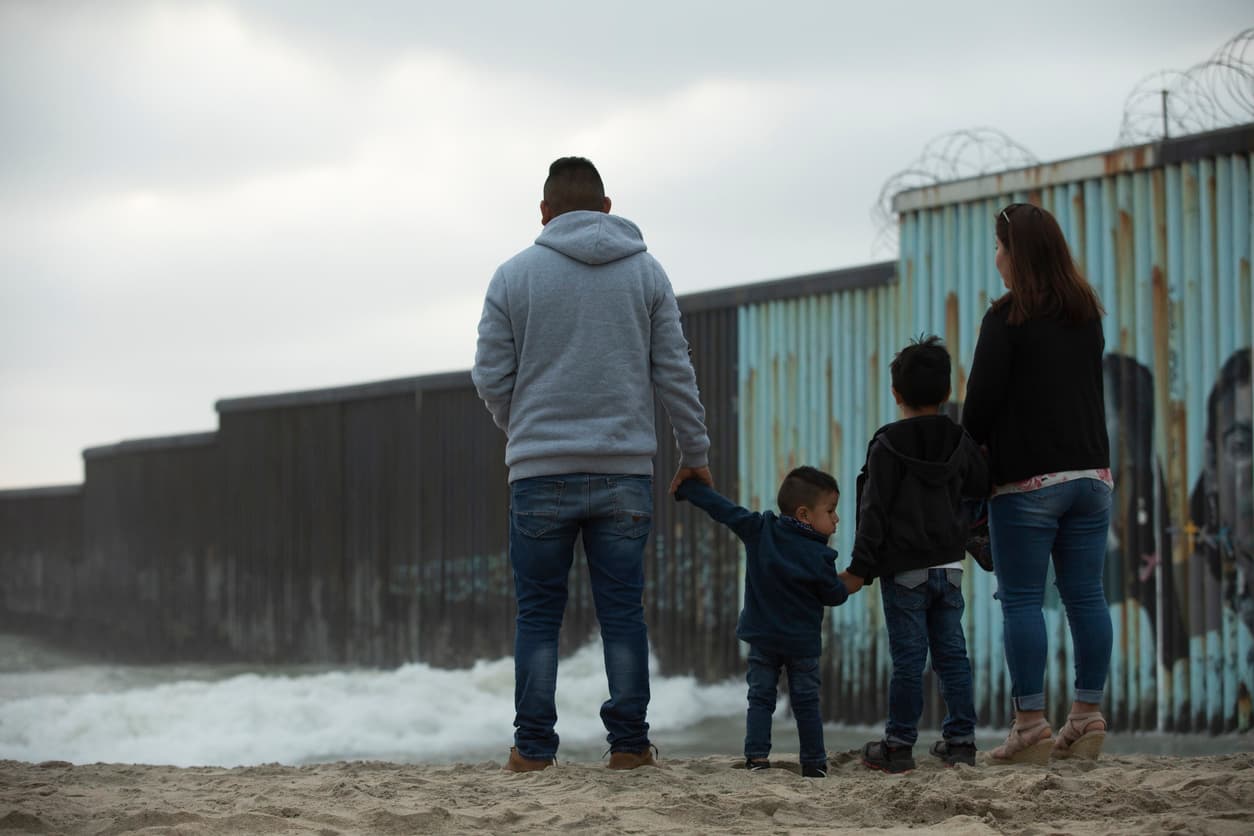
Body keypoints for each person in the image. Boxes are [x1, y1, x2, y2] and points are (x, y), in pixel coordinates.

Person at [472, 156, 712, 772]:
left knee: (538, 616)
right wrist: (695, 452)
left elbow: (490, 376)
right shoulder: (646, 273)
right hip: (624, 473)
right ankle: (629, 748)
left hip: (538, 474)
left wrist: (525, 430)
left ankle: (532, 751)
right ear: (607, 207)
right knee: (623, 614)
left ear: (544, 212)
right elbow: (675, 372)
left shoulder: (513, 275)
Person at [961, 202, 1113, 763]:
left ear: (1017, 254)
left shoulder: (1007, 318)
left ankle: (1029, 726)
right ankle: (1087, 716)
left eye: (999, 247)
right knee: (1086, 595)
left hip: (1027, 483)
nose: (996, 257)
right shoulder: (1086, 313)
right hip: (1092, 477)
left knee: (1022, 600)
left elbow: (977, 409)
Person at [840, 336, 990, 773]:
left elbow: (873, 512)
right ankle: (961, 742)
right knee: (952, 656)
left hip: (905, 571)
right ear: (946, 392)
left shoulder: (887, 445)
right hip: (949, 567)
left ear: (896, 393)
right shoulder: (959, 440)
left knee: (909, 660)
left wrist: (858, 570)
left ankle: (899, 745)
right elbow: (980, 485)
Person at [674, 466, 849, 778]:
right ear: (804, 515)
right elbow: (833, 595)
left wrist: (691, 489)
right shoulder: (819, 556)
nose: (836, 519)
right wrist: (852, 581)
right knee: (806, 702)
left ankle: (756, 758)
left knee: (760, 698)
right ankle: (814, 763)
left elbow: (724, 510)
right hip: (802, 645)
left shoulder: (760, 529)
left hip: (762, 639)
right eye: (831, 511)